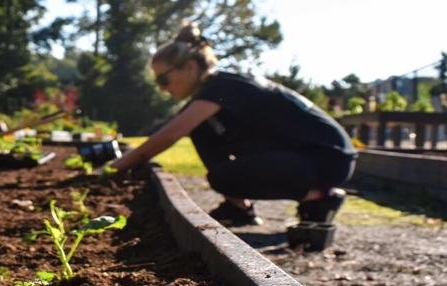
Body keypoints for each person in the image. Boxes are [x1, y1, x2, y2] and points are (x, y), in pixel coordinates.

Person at [109, 23, 355, 228]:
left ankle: (320, 197)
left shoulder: (221, 86)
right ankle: (239, 208)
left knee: (222, 177)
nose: (162, 87)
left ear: (191, 67)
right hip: (308, 157)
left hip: (328, 159)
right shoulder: (218, 89)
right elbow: (179, 127)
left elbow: (171, 134)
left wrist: (114, 168)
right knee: (202, 131)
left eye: (164, 78)